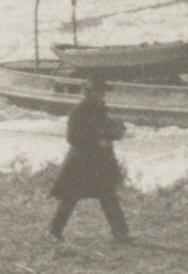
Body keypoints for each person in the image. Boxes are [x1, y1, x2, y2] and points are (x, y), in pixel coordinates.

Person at [48, 79, 131, 243]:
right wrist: (97, 142)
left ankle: (121, 234)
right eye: (98, 91)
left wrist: (116, 132)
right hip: (81, 161)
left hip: (99, 161)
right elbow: (72, 138)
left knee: (108, 195)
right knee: (70, 197)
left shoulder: (100, 109)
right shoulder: (79, 110)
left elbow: (103, 129)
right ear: (88, 92)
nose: (101, 95)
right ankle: (54, 232)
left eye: (102, 92)